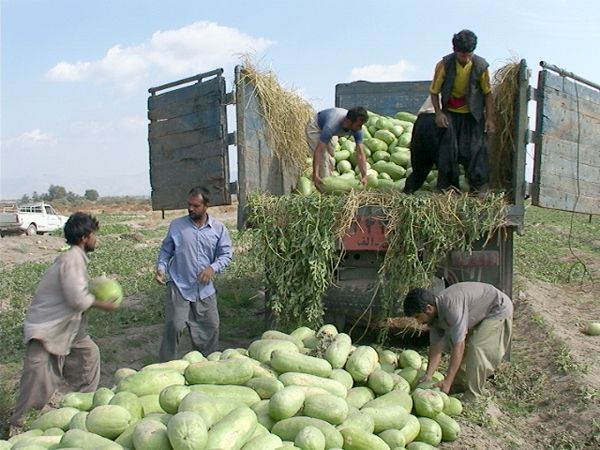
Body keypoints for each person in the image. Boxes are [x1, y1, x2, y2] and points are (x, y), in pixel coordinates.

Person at [9, 212, 118, 430]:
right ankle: (18, 426)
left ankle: (84, 407)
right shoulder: (72, 259)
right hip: (47, 329)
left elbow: (77, 291)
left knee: (89, 354)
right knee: (38, 383)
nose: (96, 239)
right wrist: (103, 304)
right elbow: (77, 299)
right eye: (94, 234)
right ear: (85, 237)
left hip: (67, 328)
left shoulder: (76, 259)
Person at [155, 187, 233, 361]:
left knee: (210, 327)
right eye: (189, 205)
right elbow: (166, 251)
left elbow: (226, 254)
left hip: (204, 289)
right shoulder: (177, 226)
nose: (191, 209)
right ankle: (165, 366)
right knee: (174, 326)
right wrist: (161, 268)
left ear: (206, 206)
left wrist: (212, 268)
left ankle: (206, 366)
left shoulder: (218, 229)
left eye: (196, 206)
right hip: (179, 286)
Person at [403, 281, 513, 402]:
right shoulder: (434, 319)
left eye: (418, 316)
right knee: (458, 343)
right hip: (478, 312)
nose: (418, 322)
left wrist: (448, 380)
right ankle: (460, 384)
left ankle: (474, 395)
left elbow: (458, 346)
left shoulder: (451, 307)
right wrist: (428, 375)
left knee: (477, 348)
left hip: (496, 308)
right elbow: (435, 347)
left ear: (429, 308)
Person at [427, 29, 496, 193]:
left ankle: (478, 188)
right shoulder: (443, 65)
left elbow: (487, 94)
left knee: (476, 151)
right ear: (455, 51)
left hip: (473, 115)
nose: (465, 58)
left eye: (469, 54)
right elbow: (434, 91)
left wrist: (490, 118)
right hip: (451, 113)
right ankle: (448, 189)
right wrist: (438, 113)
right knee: (448, 151)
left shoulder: (481, 66)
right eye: (462, 55)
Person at [305, 106, 369, 190]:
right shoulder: (331, 126)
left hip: (333, 130)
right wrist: (315, 175)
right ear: (349, 121)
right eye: (359, 125)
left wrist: (364, 175)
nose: (360, 128)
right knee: (323, 158)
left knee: (331, 155)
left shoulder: (357, 130)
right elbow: (319, 151)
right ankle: (324, 187)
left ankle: (328, 176)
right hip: (316, 126)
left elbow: (360, 153)